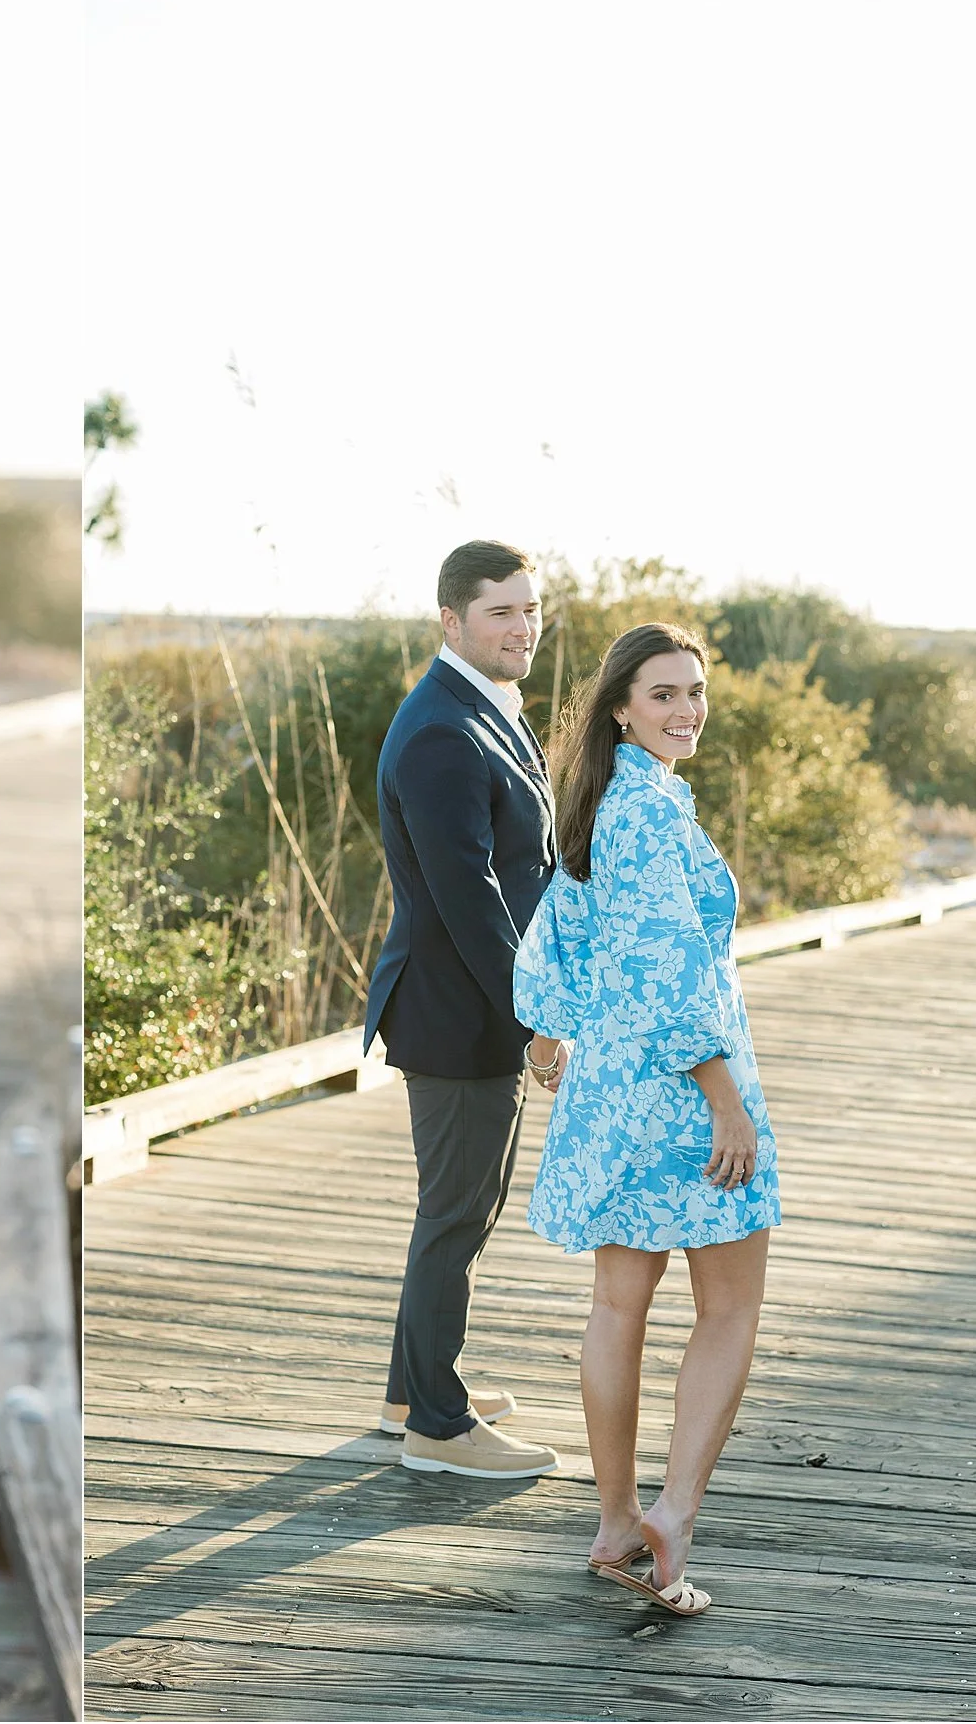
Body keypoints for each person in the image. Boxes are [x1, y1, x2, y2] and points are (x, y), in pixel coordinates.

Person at [512, 621, 782, 1616]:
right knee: (729, 1307)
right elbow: (670, 968)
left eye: (696, 690)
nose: (686, 708)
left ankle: (616, 1516)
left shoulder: (604, 801)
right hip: (682, 1092)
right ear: (620, 706)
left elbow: (557, 932)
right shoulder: (650, 816)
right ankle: (672, 1509)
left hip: (612, 1094)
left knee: (618, 1303)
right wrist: (724, 1101)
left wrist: (545, 1037)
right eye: (663, 693)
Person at [360, 540, 563, 1480]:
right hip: (458, 1011)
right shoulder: (443, 728)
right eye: (500, 613)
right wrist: (535, 1016)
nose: (522, 628)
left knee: (460, 1211)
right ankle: (437, 1431)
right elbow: (468, 892)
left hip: (469, 1002)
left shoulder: (480, 709)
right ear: (452, 620)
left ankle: (416, 1386)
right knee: (455, 1215)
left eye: (529, 610)